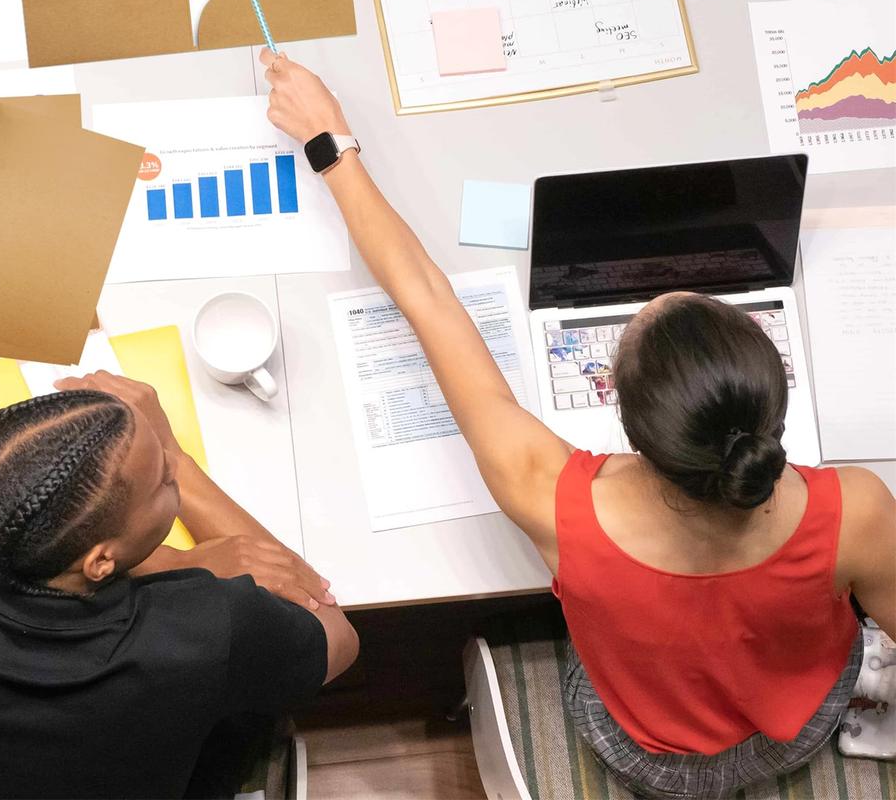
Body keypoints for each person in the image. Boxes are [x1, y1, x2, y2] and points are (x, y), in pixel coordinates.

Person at [258, 48, 896, 799]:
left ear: (630, 426)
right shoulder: (855, 509)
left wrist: (332, 146)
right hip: (794, 728)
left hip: (643, 751)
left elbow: (426, 299)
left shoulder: (555, 499)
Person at [0, 372, 358, 799]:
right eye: (163, 484)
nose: (171, 475)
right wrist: (179, 477)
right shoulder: (199, 632)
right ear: (101, 561)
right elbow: (337, 634)